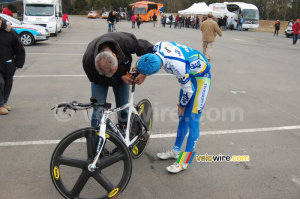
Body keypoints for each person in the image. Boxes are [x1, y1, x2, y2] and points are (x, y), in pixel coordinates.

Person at [136, 41, 211, 173]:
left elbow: (188, 91)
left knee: (193, 119)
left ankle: (185, 161)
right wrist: (142, 72)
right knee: (182, 117)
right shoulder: (157, 47)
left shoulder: (178, 66)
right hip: (190, 73)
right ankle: (176, 151)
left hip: (201, 77)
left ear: (159, 69)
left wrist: (182, 105)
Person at [82, 32, 153, 127]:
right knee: (98, 111)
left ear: (115, 55)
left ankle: (123, 133)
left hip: (122, 75)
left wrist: (144, 71)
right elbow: (95, 79)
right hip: (100, 80)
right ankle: (96, 138)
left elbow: (150, 50)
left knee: (124, 109)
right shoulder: (88, 60)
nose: (112, 75)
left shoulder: (125, 41)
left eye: (114, 71)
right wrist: (119, 77)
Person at [0, 17, 25, 115]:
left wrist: (18, 63)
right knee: (0, 83)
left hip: (8, 63)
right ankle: (0, 105)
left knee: (8, 83)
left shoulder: (10, 32)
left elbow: (19, 48)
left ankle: (4, 101)